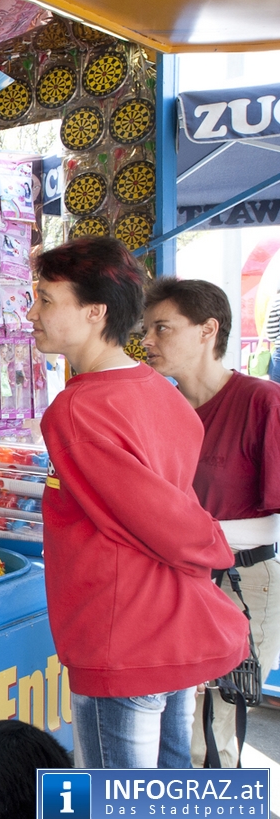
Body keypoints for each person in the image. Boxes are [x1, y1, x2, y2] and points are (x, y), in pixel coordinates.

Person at [28, 238, 248, 816]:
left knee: (119, 817)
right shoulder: (162, 391)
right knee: (173, 801)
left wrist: (216, 544)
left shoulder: (75, 411)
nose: (32, 313)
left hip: (121, 637)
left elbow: (164, 519)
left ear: (95, 311)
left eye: (46, 299)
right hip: (171, 624)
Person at [143, 278, 280, 789]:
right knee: (171, 736)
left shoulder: (261, 401)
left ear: (208, 330)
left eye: (162, 328)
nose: (149, 340)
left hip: (243, 586)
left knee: (215, 737)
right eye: (145, 329)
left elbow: (270, 520)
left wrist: (182, 532)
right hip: (174, 587)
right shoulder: (161, 410)